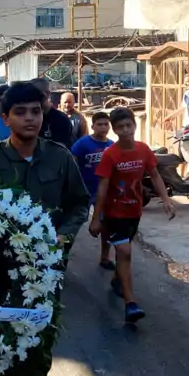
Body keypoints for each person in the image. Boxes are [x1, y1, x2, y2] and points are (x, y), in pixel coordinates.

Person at [0, 81, 89, 376]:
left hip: (46, 271)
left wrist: (63, 236)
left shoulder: (60, 156)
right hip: (1, 272)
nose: (30, 119)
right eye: (20, 112)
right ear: (5, 117)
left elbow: (78, 204)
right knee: (7, 342)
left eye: (36, 111)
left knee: (39, 346)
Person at [90, 107, 176, 323]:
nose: (126, 130)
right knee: (125, 251)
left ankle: (118, 279)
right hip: (114, 213)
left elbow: (155, 175)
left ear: (135, 126)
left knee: (123, 252)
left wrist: (166, 199)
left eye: (129, 125)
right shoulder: (110, 154)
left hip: (134, 210)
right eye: (120, 127)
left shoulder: (144, 150)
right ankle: (130, 303)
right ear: (114, 130)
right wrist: (96, 217)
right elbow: (102, 187)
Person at [71, 112, 115, 270]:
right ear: (93, 126)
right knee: (73, 224)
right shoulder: (83, 144)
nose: (103, 127)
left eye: (106, 124)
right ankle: (61, 256)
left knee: (106, 225)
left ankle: (105, 257)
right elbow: (73, 164)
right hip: (83, 190)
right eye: (100, 124)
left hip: (103, 192)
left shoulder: (111, 145)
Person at [30, 77, 72, 148]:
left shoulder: (61, 119)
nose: (33, 97)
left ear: (47, 94)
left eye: (37, 93)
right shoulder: (28, 118)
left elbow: (61, 149)